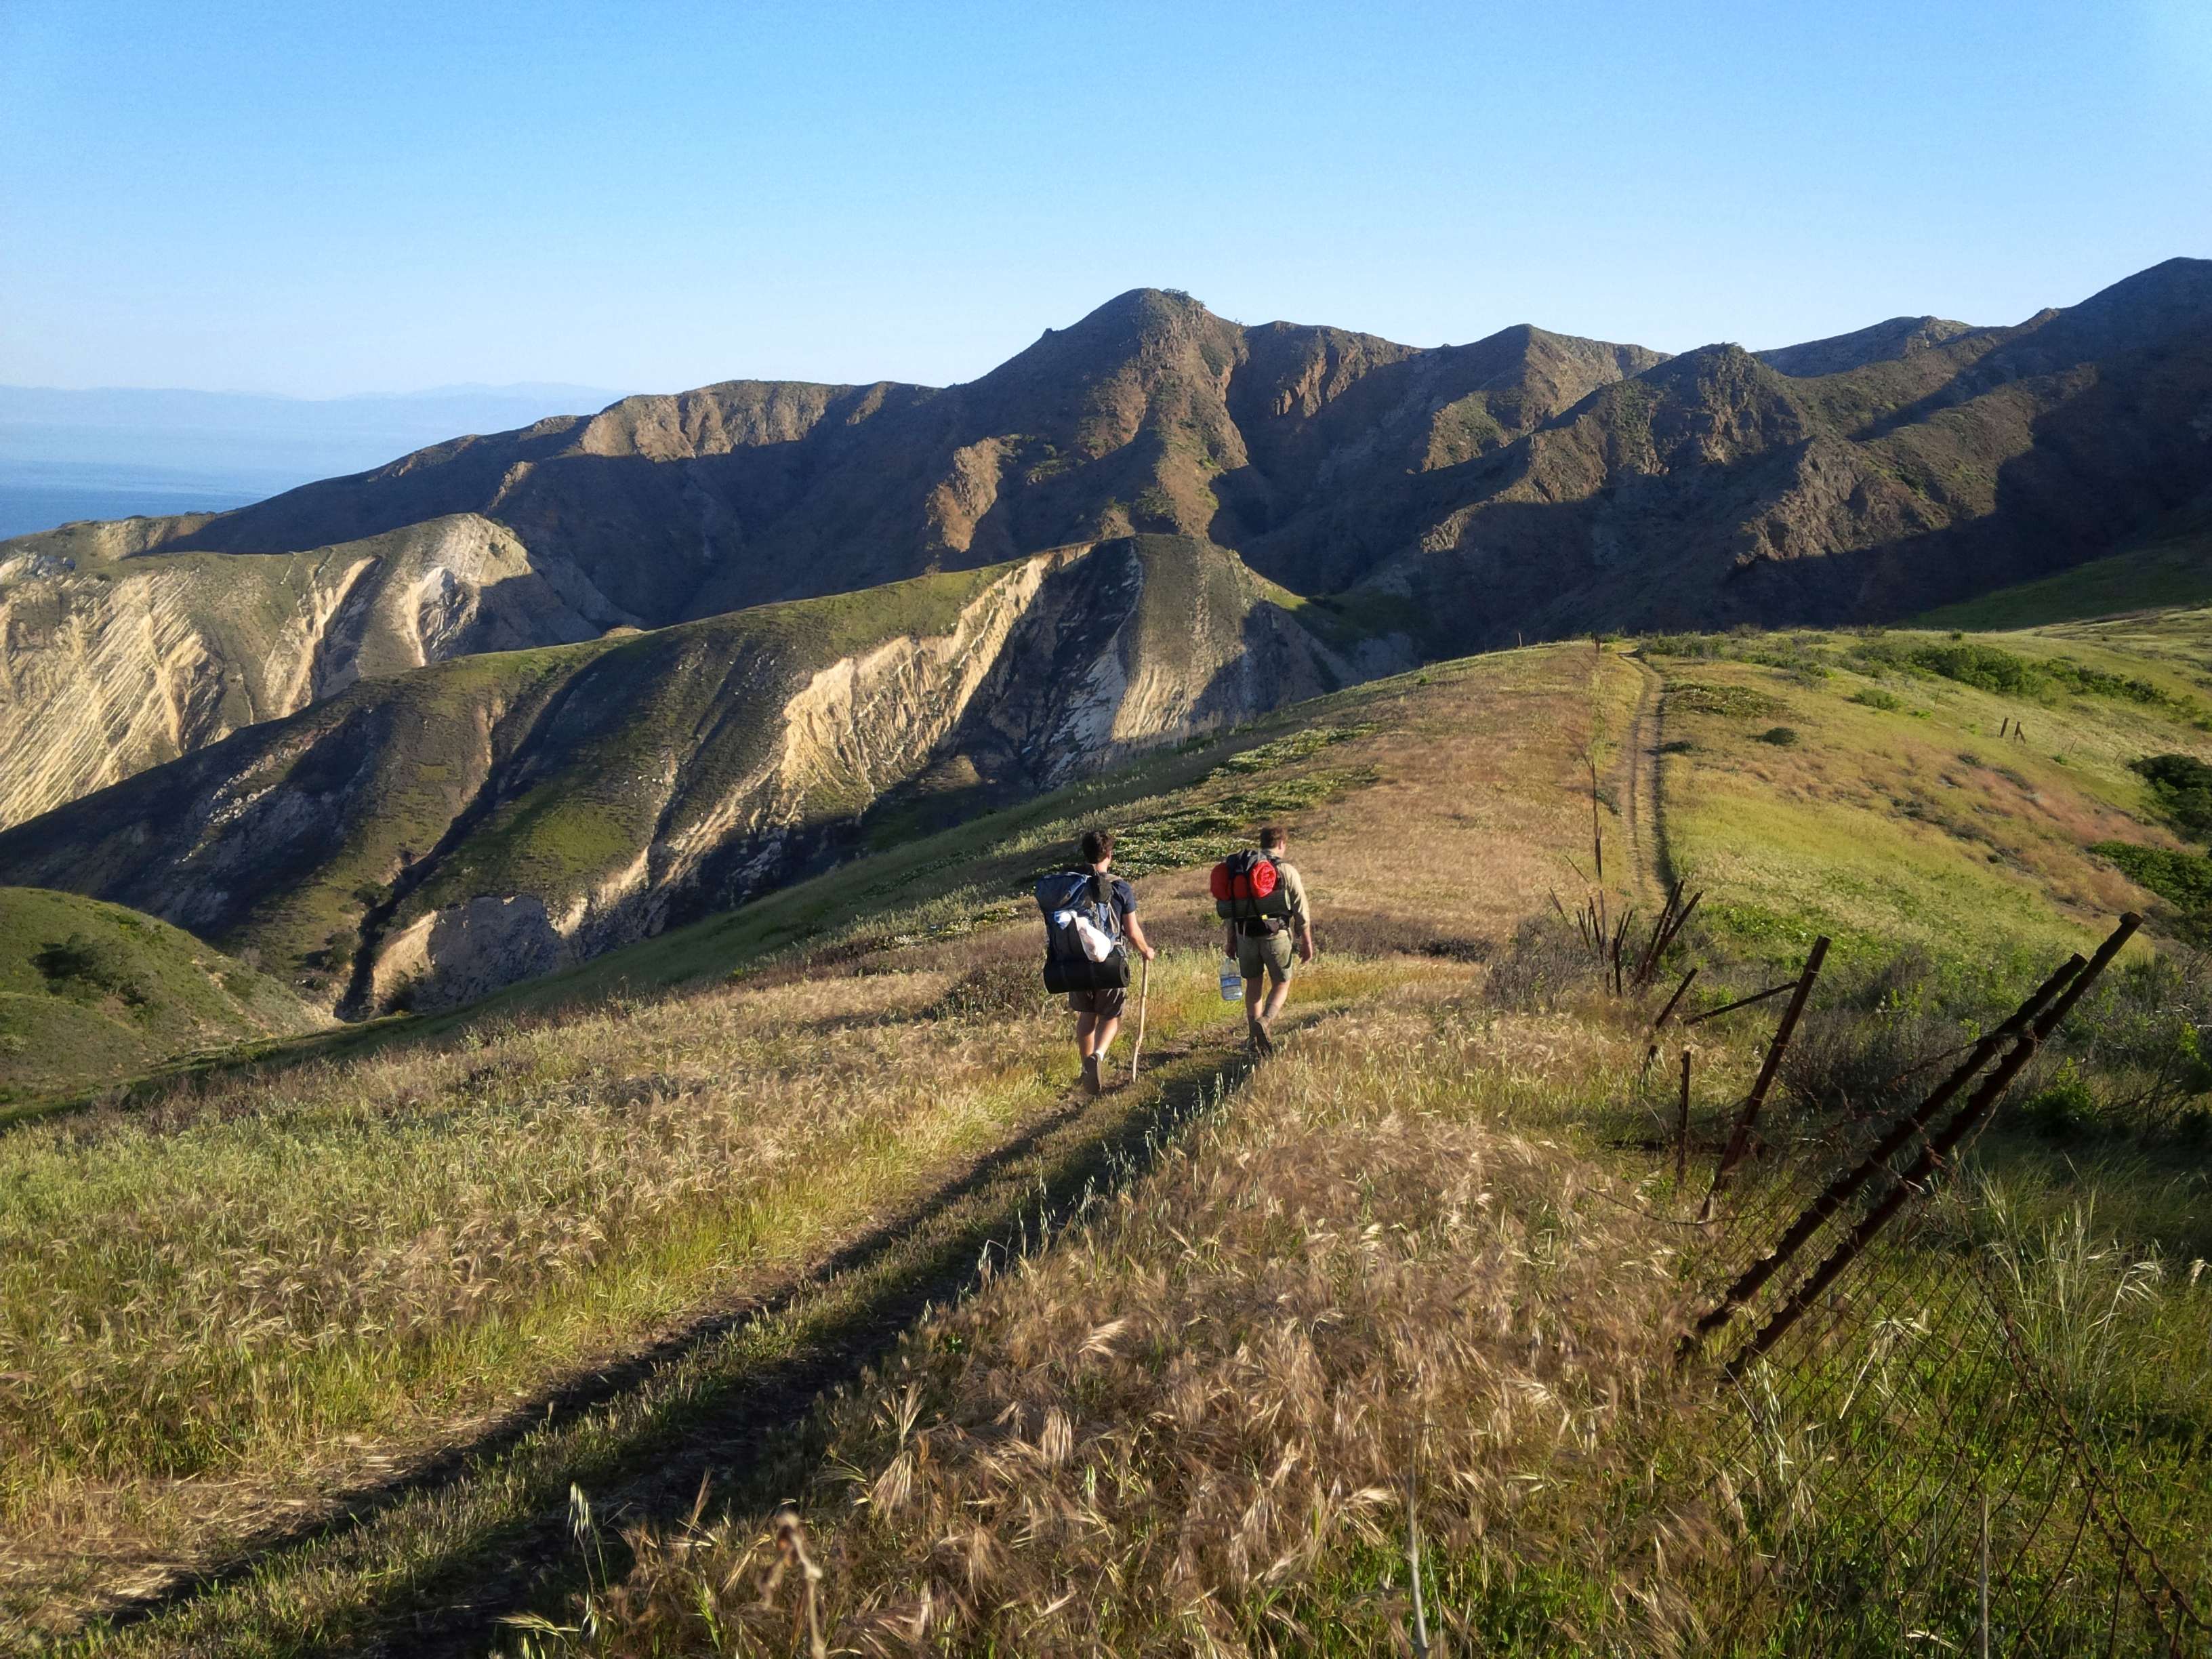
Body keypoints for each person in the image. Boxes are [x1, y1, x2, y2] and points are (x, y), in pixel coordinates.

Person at [1056, 828, 1155, 1093]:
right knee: (1112, 1015)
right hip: (1109, 961)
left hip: (1075, 962)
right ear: (1109, 854)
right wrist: (1146, 951)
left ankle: (1085, 1069)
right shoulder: (1120, 887)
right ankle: (1097, 1056)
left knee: (1087, 1014)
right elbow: (1132, 932)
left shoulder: (1071, 884)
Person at [1225, 825, 1313, 1054]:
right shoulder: (1286, 870)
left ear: (1262, 842)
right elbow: (1300, 908)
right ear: (1282, 843)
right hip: (1276, 934)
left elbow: (1234, 908)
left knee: (1254, 984)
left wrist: (1231, 939)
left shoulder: (1244, 869)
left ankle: (1253, 1039)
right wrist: (1306, 940)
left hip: (1245, 934)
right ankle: (1265, 1021)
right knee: (1282, 982)